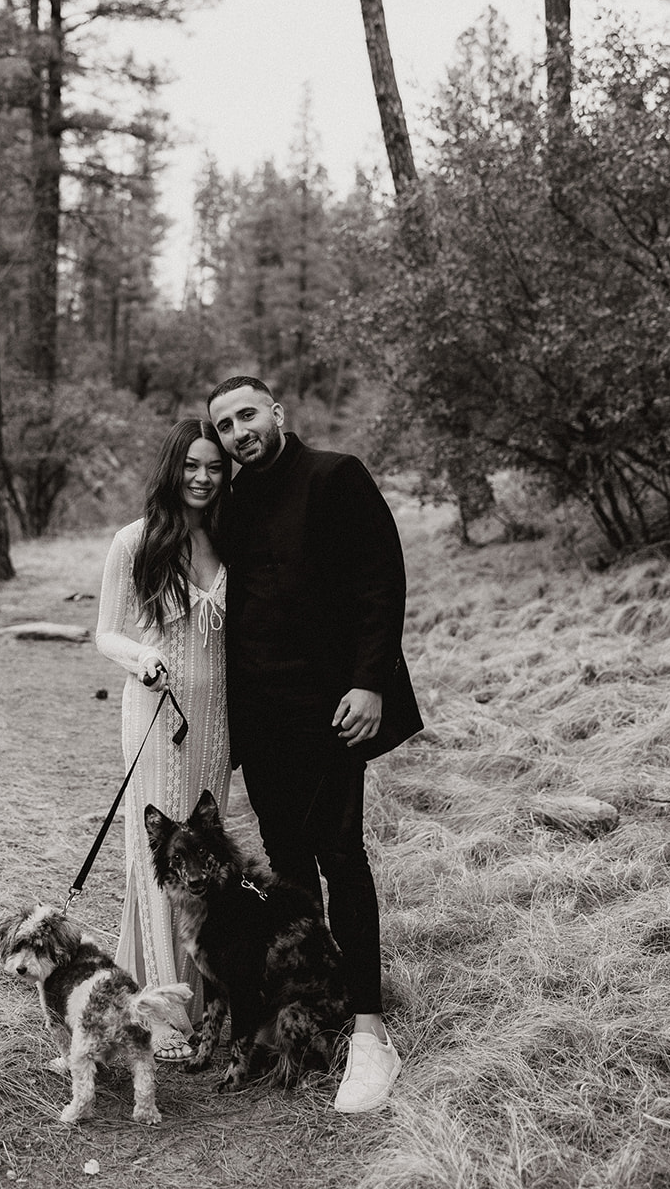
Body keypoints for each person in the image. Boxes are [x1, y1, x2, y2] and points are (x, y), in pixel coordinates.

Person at [206, 375, 423, 1113]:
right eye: (225, 425)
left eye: (247, 415)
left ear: (277, 412)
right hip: (260, 721)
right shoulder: (230, 505)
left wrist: (370, 683)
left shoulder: (335, 476)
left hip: (332, 711)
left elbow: (379, 582)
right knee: (287, 866)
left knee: (341, 857)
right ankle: (309, 1008)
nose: (238, 432)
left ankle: (369, 1032)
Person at [95, 417, 232, 1061]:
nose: (202, 478)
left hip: (217, 720)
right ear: (172, 469)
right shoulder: (137, 540)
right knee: (158, 855)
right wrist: (140, 659)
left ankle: (205, 999)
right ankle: (164, 1007)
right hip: (157, 712)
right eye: (192, 466)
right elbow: (106, 632)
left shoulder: (231, 537)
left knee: (204, 855)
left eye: (214, 467)